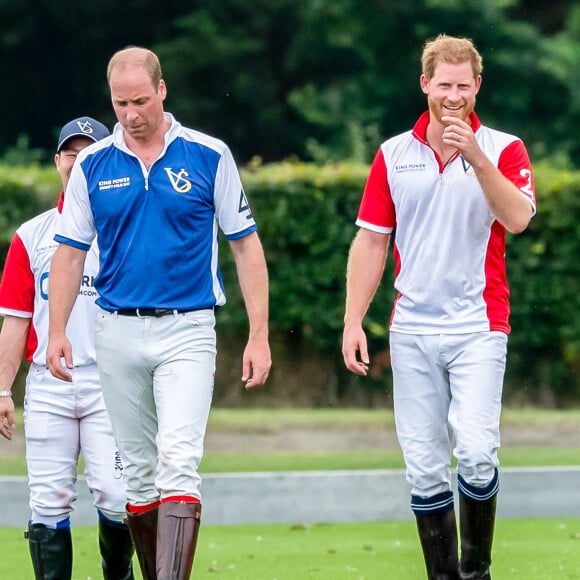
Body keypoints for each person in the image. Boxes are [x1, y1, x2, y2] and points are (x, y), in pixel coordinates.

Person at [46, 46, 271, 579]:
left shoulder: (209, 154)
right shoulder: (93, 166)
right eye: (121, 103)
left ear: (162, 90)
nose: (131, 114)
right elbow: (70, 252)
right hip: (115, 329)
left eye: (141, 100)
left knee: (178, 461)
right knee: (139, 476)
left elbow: (245, 245)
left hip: (188, 328)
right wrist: (55, 330)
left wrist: (259, 334)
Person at [342, 34, 535, 580]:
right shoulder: (392, 155)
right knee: (425, 470)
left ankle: (477, 574)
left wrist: (474, 156)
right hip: (412, 330)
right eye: (444, 85)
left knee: (476, 453)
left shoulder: (504, 148)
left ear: (478, 87)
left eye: (464, 86)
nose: (454, 96)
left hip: (479, 325)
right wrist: (353, 321)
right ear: (425, 84)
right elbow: (372, 241)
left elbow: (518, 218)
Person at [0, 117, 135, 579]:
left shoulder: (126, 230)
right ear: (58, 161)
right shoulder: (30, 235)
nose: (78, 162)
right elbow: (15, 321)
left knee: (118, 498)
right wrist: (2, 389)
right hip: (47, 385)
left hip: (110, 384)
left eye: (89, 153)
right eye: (70, 153)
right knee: (47, 501)